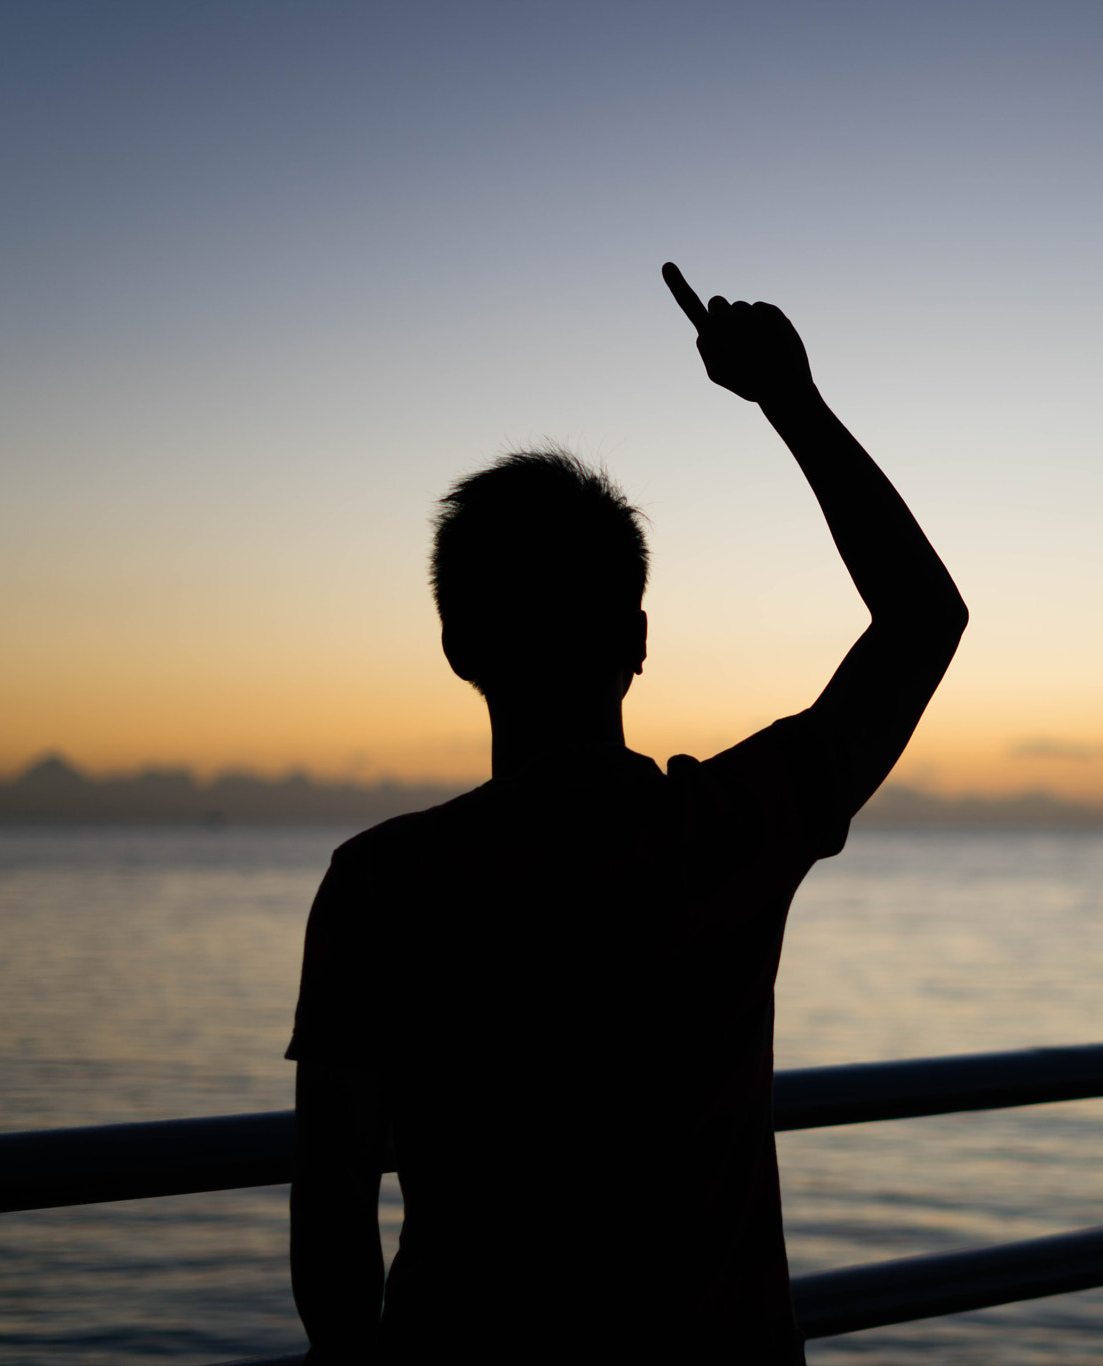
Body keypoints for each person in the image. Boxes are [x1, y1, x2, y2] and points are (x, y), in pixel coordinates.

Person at [285, 263, 967, 1364]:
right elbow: (923, 618)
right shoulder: (729, 827)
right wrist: (788, 398)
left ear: (459, 646)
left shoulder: (380, 884)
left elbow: (331, 1226)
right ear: (637, 642)